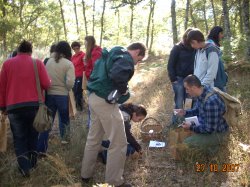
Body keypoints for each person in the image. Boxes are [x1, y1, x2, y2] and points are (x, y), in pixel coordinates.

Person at [81, 42, 146, 187]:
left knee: (94, 139)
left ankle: (85, 175)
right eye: (139, 59)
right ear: (137, 52)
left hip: (93, 97)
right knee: (119, 143)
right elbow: (117, 75)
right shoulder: (125, 58)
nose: (137, 63)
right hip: (104, 101)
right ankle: (114, 182)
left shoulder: (112, 53)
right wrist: (123, 90)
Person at [0, 40, 51, 177]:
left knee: (19, 138)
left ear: (19, 49)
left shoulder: (7, 64)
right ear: (30, 51)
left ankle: (24, 168)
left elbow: (2, 88)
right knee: (33, 136)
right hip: (34, 106)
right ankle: (33, 164)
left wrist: (3, 107)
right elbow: (46, 84)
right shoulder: (37, 63)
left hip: (14, 108)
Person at [37, 41, 75, 153]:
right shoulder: (68, 64)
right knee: (64, 120)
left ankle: (41, 148)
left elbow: (44, 79)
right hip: (62, 96)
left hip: (49, 95)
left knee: (47, 122)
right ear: (68, 50)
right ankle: (65, 142)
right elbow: (70, 83)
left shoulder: (48, 62)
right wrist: (66, 89)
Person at [175, 75, 229, 154]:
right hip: (206, 124)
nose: (186, 92)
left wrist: (191, 127)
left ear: (193, 88)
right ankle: (208, 145)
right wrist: (185, 112)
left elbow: (209, 129)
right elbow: (197, 110)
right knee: (183, 119)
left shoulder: (211, 102)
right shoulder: (202, 92)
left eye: (187, 89)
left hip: (217, 133)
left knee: (187, 143)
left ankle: (214, 147)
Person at [168, 28, 195, 109]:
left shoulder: (194, 48)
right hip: (178, 79)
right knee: (179, 103)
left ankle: (188, 120)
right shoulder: (177, 48)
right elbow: (170, 65)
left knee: (189, 102)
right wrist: (173, 79)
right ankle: (176, 121)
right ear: (186, 37)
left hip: (190, 79)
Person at [83, 36, 102, 128]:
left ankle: (92, 124)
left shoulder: (95, 52)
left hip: (95, 82)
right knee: (92, 103)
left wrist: (87, 67)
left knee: (93, 103)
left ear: (89, 42)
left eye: (85, 42)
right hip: (93, 80)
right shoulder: (93, 52)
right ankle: (91, 123)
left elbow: (96, 68)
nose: (84, 44)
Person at [207, 26, 228, 91]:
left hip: (220, 78)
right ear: (217, 33)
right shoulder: (210, 46)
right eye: (221, 33)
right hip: (216, 80)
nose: (222, 35)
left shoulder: (215, 45)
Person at [71, 41, 85, 111]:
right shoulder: (73, 57)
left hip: (81, 76)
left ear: (79, 48)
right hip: (74, 76)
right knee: (74, 90)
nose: (76, 50)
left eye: (77, 48)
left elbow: (86, 65)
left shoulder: (83, 55)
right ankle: (77, 104)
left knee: (78, 91)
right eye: (74, 49)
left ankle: (79, 106)